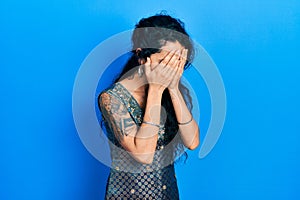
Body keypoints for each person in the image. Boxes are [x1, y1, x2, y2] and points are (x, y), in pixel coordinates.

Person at [98, 13, 200, 200]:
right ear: (142, 57)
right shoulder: (111, 99)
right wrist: (155, 89)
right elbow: (143, 154)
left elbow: (192, 142)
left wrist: (173, 88)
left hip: (167, 193)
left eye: (177, 63)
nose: (170, 70)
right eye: (165, 62)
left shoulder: (172, 90)